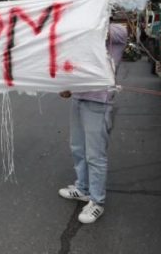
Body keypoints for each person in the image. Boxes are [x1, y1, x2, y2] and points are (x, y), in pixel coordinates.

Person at [58, 19, 127, 224]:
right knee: (78, 148)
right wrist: (67, 86)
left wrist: (95, 19)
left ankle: (97, 201)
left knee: (95, 155)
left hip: (99, 102)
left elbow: (120, 32)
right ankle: (83, 188)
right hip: (79, 99)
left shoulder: (116, 33)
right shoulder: (85, 38)